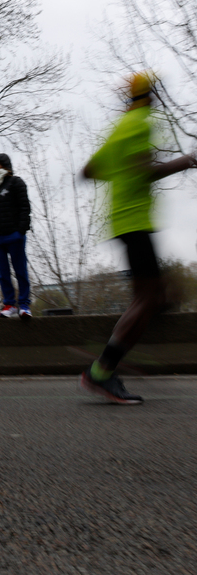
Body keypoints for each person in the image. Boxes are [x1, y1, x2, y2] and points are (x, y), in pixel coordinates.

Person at [79, 72, 195, 404]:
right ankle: (101, 371)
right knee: (146, 299)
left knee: (152, 297)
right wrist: (186, 161)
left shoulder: (119, 127)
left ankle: (132, 336)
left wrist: (117, 172)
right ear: (152, 95)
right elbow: (146, 171)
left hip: (120, 221)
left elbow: (88, 171)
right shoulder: (141, 123)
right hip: (136, 221)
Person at [0, 153, 32, 319]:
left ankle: (24, 306)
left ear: (5, 166)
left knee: (20, 271)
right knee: (3, 274)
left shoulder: (17, 183)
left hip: (14, 236)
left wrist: (20, 231)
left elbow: (25, 207)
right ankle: (9, 305)